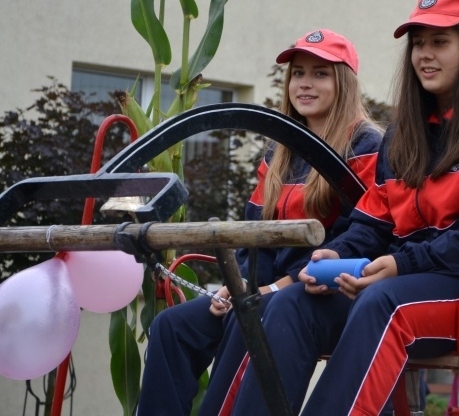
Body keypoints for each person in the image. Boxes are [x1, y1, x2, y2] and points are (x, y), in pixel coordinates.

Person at [230, 0, 459, 416]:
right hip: (419, 282)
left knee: (386, 304)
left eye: (440, 42)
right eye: (418, 43)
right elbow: (373, 224)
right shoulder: (405, 131)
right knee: (292, 303)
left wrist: (403, 264)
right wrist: (338, 254)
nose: (425, 54)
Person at [136, 29, 383, 416]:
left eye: (320, 74)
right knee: (172, 326)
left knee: (250, 313)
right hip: (269, 289)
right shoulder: (279, 150)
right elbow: (256, 235)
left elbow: (363, 236)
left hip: (327, 291)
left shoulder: (367, 145)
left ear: (345, 83)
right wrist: (239, 284)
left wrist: (272, 288)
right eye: (298, 73)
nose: (304, 83)